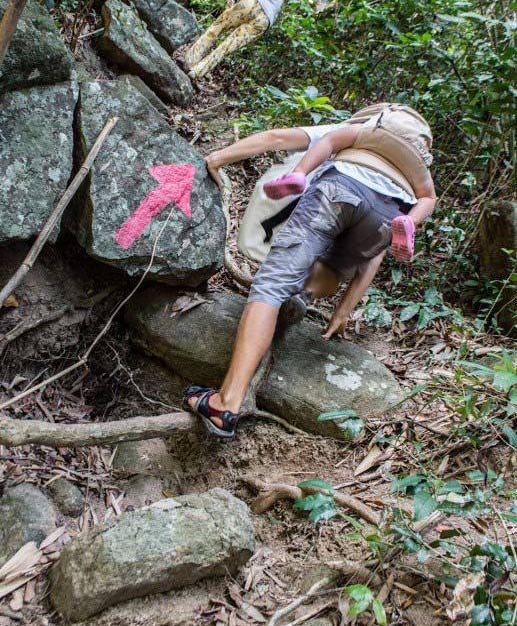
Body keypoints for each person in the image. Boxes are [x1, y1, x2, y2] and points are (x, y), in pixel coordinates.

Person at [183, 114, 437, 438]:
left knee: (271, 288)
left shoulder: (355, 132)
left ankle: (226, 402)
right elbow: (374, 256)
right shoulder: (414, 175)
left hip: (341, 185)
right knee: (334, 265)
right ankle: (305, 294)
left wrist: (216, 158)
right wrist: (343, 311)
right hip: (388, 218)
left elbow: (275, 136)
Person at [178, 0, 290, 81]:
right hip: (264, 21)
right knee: (228, 46)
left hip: (250, 3)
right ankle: (197, 72)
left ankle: (189, 61)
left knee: (217, 28)